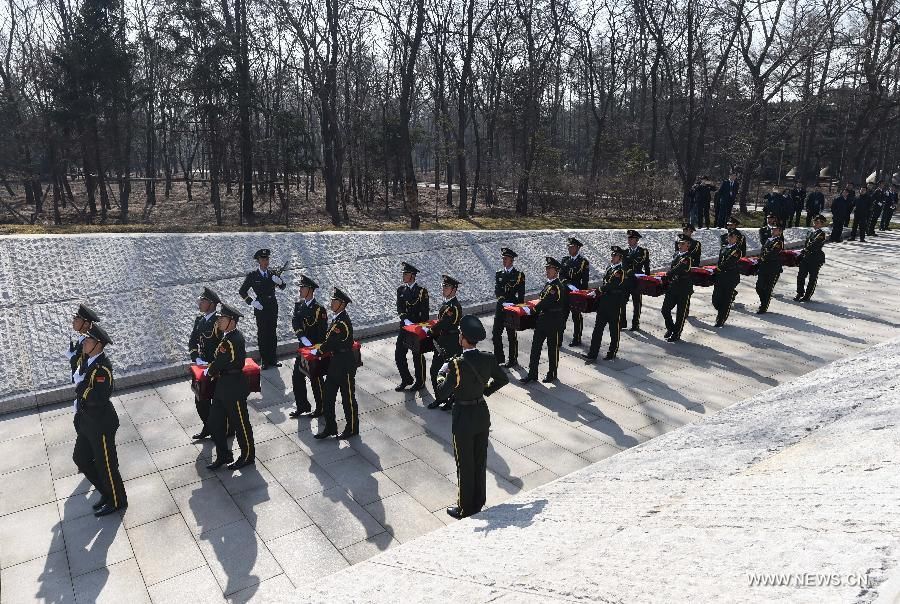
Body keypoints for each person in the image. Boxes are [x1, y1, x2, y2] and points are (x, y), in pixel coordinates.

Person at [436, 315, 508, 520]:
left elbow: (441, 393)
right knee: (479, 459)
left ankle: (465, 507)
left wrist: (442, 373)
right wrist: (485, 390)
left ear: (463, 338)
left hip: (463, 417)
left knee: (464, 463)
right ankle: (479, 500)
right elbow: (503, 379)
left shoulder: (457, 365)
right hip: (482, 414)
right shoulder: (487, 357)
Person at [72, 324, 127, 517]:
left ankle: (117, 500)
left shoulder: (102, 368)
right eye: (86, 339)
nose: (85, 342)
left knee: (106, 464)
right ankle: (107, 492)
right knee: (81, 458)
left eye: (89, 340)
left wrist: (81, 388)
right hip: (87, 421)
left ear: (98, 344)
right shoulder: (88, 361)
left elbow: (100, 398)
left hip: (101, 423)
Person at [205, 302, 255, 470]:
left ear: (232, 321)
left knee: (240, 424)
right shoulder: (227, 338)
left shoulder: (232, 340)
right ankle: (224, 455)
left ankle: (247, 455)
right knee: (214, 421)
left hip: (233, 388)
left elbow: (220, 361)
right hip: (223, 387)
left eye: (222, 319)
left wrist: (209, 371)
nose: (219, 322)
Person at [314, 287, 359, 439]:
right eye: (332, 300)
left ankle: (352, 427)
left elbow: (331, 341)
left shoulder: (342, 323)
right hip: (335, 362)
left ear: (342, 304)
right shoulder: (337, 319)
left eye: (335, 301)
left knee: (347, 398)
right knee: (328, 396)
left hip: (345, 364)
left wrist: (318, 351)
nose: (331, 303)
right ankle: (330, 427)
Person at [238, 249, 287, 369]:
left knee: (272, 333)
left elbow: (283, 287)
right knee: (263, 333)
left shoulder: (272, 274)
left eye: (267, 259)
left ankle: (273, 359)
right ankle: (265, 360)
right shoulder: (253, 276)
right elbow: (242, 291)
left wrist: (280, 282)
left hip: (272, 306)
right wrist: (252, 302)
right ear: (258, 261)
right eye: (263, 259)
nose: (266, 261)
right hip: (260, 306)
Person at [521, 257, 565, 384]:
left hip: (553, 321)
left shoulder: (556, 287)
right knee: (535, 348)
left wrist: (532, 310)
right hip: (542, 320)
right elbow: (541, 299)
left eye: (549, 269)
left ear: (556, 271)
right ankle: (532, 373)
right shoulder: (549, 284)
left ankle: (552, 373)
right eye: (546, 268)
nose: (547, 270)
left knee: (552, 349)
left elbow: (545, 302)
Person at [290, 275, 328, 418]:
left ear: (310, 290)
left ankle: (322, 406)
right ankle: (302, 405)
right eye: (300, 287)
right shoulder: (299, 305)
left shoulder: (319, 310)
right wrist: (302, 336)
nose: (300, 290)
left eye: (303, 288)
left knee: (316, 379)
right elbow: (295, 322)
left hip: (313, 349)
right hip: (302, 348)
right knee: (297, 377)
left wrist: (314, 348)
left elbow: (322, 333)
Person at [188, 287, 221, 440]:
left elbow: (222, 347)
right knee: (200, 399)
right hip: (201, 366)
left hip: (214, 368)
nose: (200, 303)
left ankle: (222, 429)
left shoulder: (219, 322)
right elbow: (193, 341)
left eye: (203, 301)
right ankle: (208, 427)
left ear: (212, 304)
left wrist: (213, 365)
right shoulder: (199, 320)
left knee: (217, 402)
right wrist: (196, 358)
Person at [585, 246, 628, 362]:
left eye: (615, 256)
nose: (612, 257)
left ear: (620, 258)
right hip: (604, 303)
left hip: (614, 304)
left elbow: (611, 285)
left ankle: (612, 352)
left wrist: (597, 290)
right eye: (612, 255)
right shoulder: (610, 268)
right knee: (597, 329)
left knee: (614, 330)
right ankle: (592, 353)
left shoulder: (620, 271)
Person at [427, 274, 463, 411]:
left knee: (451, 372)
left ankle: (451, 400)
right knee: (435, 370)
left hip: (452, 342)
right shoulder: (447, 304)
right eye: (443, 286)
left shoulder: (455, 307)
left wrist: (431, 331)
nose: (444, 288)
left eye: (447, 286)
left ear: (454, 290)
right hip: (442, 340)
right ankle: (440, 398)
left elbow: (445, 323)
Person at [394, 262, 429, 391]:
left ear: (413, 276)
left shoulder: (421, 292)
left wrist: (418, 326)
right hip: (405, 326)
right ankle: (406, 378)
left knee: (417, 355)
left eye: (406, 274)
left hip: (416, 328)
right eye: (403, 273)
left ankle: (420, 381)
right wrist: (405, 320)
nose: (403, 276)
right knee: (399, 354)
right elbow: (400, 308)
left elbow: (425, 313)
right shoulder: (401, 290)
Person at [492, 247, 525, 368]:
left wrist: (518, 308)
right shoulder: (499, 274)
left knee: (511, 335)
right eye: (503, 258)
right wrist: (502, 302)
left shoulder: (519, 275)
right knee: (496, 334)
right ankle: (499, 358)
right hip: (501, 308)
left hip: (512, 308)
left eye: (506, 258)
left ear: (511, 260)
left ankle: (513, 359)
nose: (504, 260)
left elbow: (521, 294)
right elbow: (497, 290)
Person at [662, 235, 694, 343]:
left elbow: (678, 268)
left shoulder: (688, 257)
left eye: (683, 244)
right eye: (679, 243)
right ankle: (671, 328)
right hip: (673, 286)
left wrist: (668, 274)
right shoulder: (676, 254)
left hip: (683, 288)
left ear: (688, 245)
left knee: (681, 313)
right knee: (665, 310)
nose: (680, 246)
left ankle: (676, 333)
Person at [560, 237, 589, 346]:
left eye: (571, 247)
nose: (569, 249)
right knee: (562, 316)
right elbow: (561, 275)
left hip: (576, 294)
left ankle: (577, 338)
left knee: (576, 317)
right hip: (566, 293)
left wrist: (582, 295)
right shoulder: (565, 260)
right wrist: (568, 284)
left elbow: (585, 281)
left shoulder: (583, 263)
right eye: (569, 247)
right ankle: (559, 339)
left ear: (577, 248)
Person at [621, 229, 650, 331]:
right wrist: (630, 273)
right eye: (628, 238)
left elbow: (646, 267)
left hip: (638, 281)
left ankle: (635, 323)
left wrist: (648, 280)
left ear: (637, 240)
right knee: (622, 302)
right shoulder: (624, 252)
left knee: (637, 303)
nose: (629, 240)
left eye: (632, 238)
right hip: (627, 280)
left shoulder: (643, 252)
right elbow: (624, 266)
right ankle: (622, 322)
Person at [795, 215, 828, 302]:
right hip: (806, 258)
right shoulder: (810, 232)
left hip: (815, 258)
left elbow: (815, 245)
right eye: (814, 222)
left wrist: (805, 250)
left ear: (822, 224)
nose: (815, 224)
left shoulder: (822, 234)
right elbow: (806, 243)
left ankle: (807, 295)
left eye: (817, 223)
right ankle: (800, 292)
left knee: (812, 278)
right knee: (801, 276)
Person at [712, 231, 742, 327]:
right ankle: (731, 295)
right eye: (729, 237)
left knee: (726, 300)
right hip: (720, 277)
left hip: (730, 277)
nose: (730, 238)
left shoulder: (737, 250)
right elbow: (720, 261)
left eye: (732, 237)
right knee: (715, 299)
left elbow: (730, 262)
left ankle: (721, 319)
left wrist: (719, 268)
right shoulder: (724, 248)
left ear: (736, 239)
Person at [756, 224, 785, 314]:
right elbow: (763, 252)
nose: (773, 231)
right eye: (772, 229)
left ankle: (764, 306)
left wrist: (762, 258)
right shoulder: (768, 240)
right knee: (759, 287)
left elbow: (772, 254)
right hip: (764, 267)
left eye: (775, 229)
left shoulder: (778, 242)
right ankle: (763, 302)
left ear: (780, 231)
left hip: (772, 268)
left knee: (768, 288)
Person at [68, 304, 100, 375]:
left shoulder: (87, 343)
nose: (73, 322)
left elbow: (84, 366)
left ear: (85, 324)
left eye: (76, 320)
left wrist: (73, 359)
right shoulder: (83, 337)